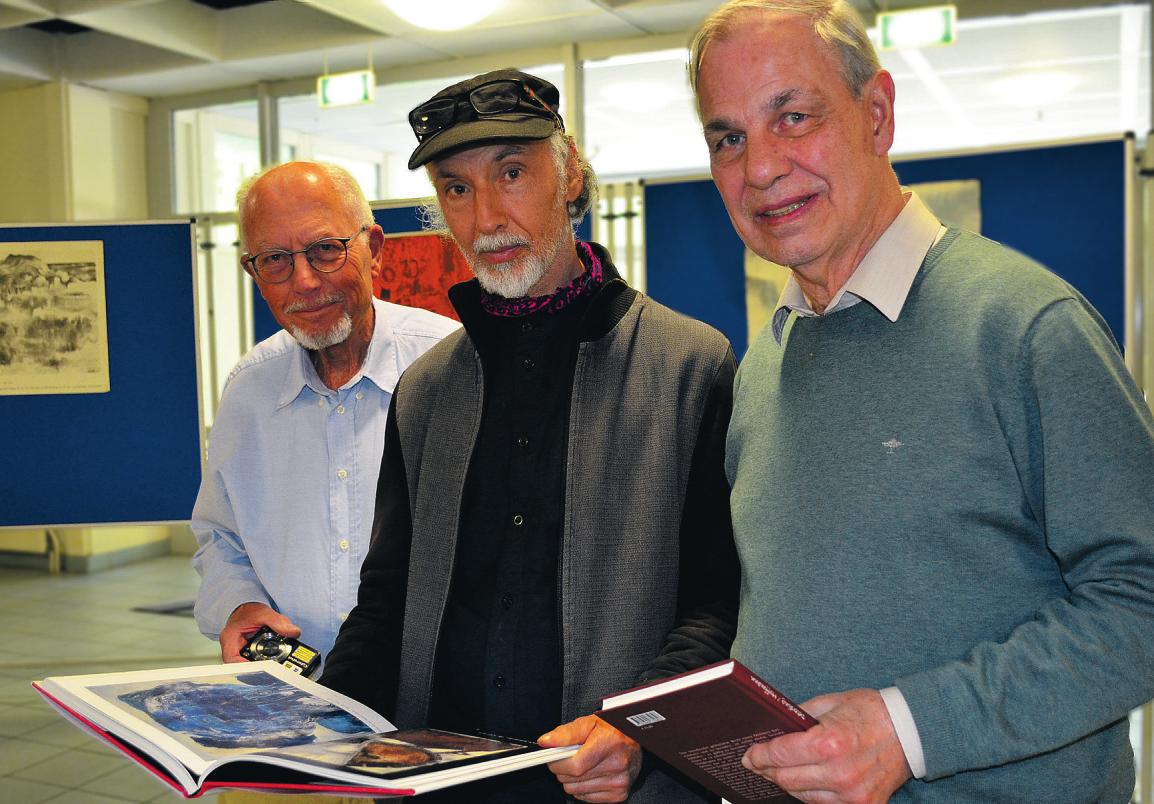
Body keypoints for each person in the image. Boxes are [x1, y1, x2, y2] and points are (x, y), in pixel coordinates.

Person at [689, 1, 1154, 802]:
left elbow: (1141, 601)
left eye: (793, 117)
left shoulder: (1025, 327)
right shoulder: (765, 366)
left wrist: (910, 731)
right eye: (728, 137)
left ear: (877, 114)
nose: (759, 167)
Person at [320, 69, 740, 803]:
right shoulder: (427, 391)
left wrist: (635, 730)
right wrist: (315, 731)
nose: (486, 218)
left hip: (612, 784)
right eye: (457, 188)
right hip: (443, 782)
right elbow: (388, 598)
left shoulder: (688, 366)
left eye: (511, 173)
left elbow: (719, 604)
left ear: (569, 173)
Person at [191, 161, 459, 668]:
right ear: (253, 272)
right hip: (294, 686)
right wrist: (240, 605)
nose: (305, 281)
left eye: (325, 249)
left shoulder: (453, 368)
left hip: (430, 688)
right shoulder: (250, 389)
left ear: (373, 248)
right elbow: (221, 536)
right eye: (275, 259)